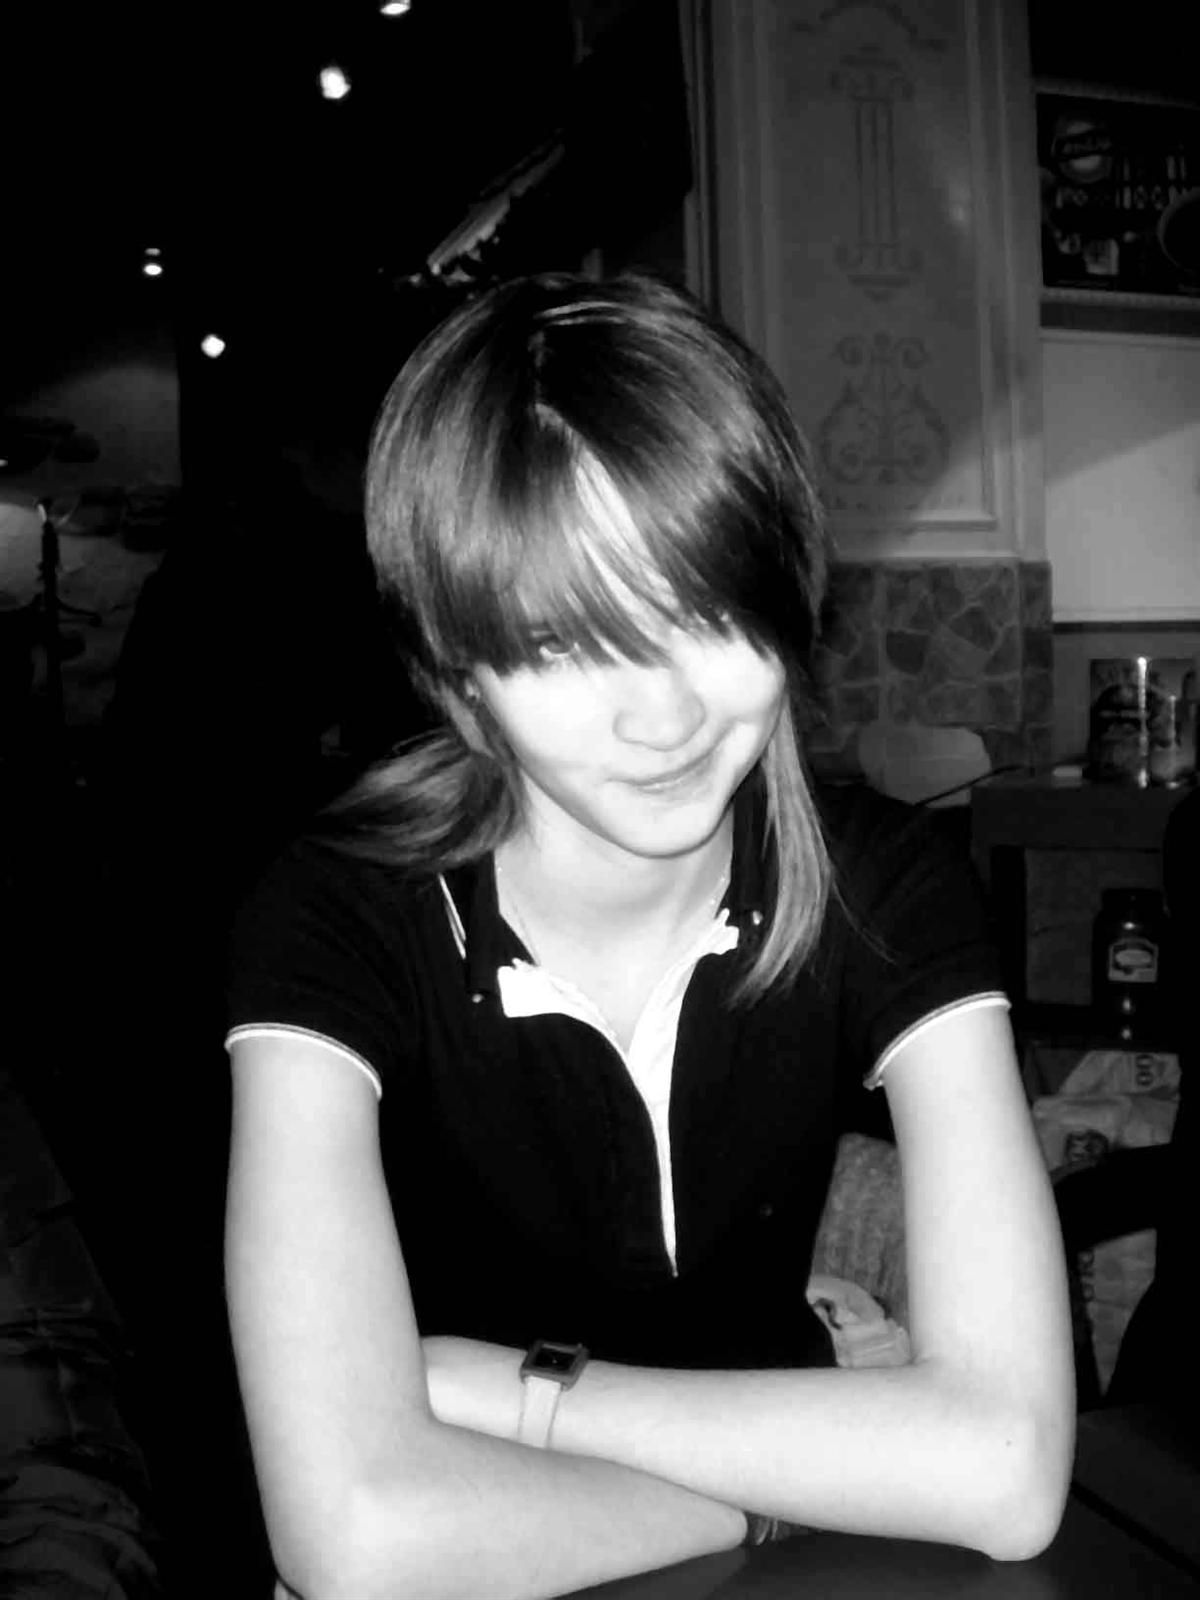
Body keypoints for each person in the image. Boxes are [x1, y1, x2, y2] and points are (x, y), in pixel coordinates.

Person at [223, 272, 1075, 1600]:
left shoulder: (883, 880)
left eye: (708, 611)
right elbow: (361, 1539)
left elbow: (1008, 1471)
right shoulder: (341, 913)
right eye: (564, 645)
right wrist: (778, 1501)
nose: (664, 717)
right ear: (459, 675)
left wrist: (519, 1396)